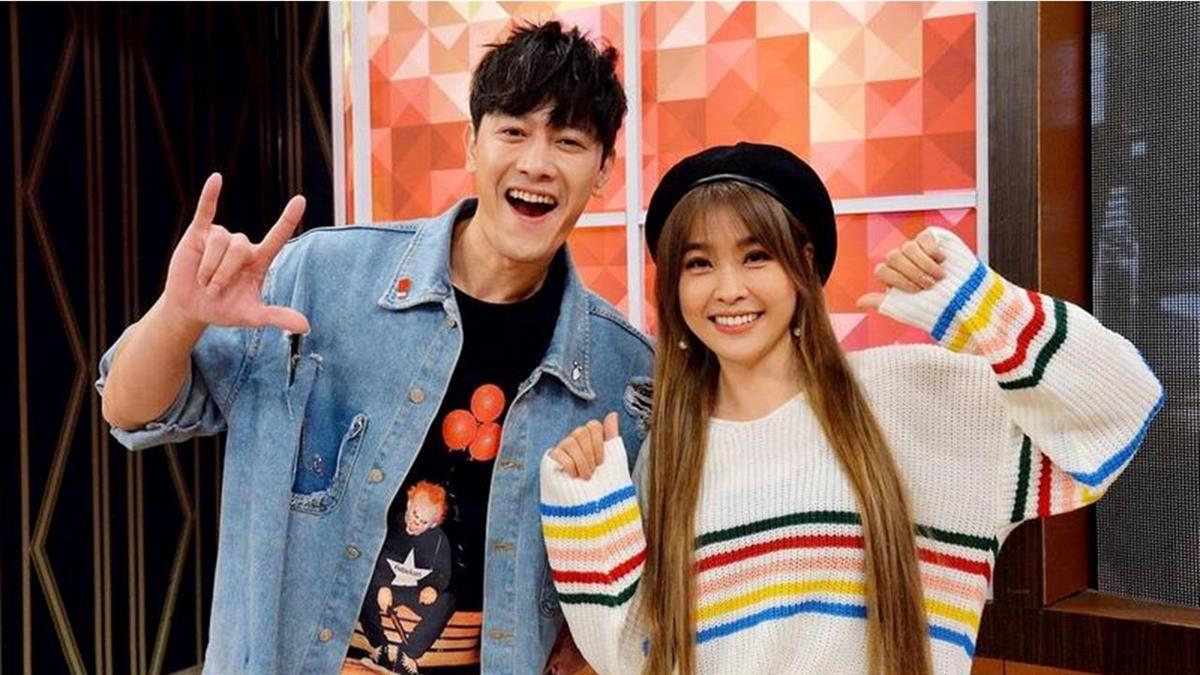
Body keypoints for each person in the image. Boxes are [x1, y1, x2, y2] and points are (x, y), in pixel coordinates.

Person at [96, 20, 653, 675]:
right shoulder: (323, 278)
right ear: (471, 144)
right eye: (513, 131)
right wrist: (178, 315)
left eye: (569, 141)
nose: (536, 162)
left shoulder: (623, 374)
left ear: (602, 171)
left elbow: (633, 600)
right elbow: (129, 409)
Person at [539, 142, 1163, 675]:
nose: (728, 289)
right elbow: (638, 659)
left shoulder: (919, 398)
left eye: (756, 256)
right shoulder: (670, 453)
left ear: (805, 265)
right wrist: (586, 517)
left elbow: (1122, 408)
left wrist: (981, 306)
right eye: (698, 264)